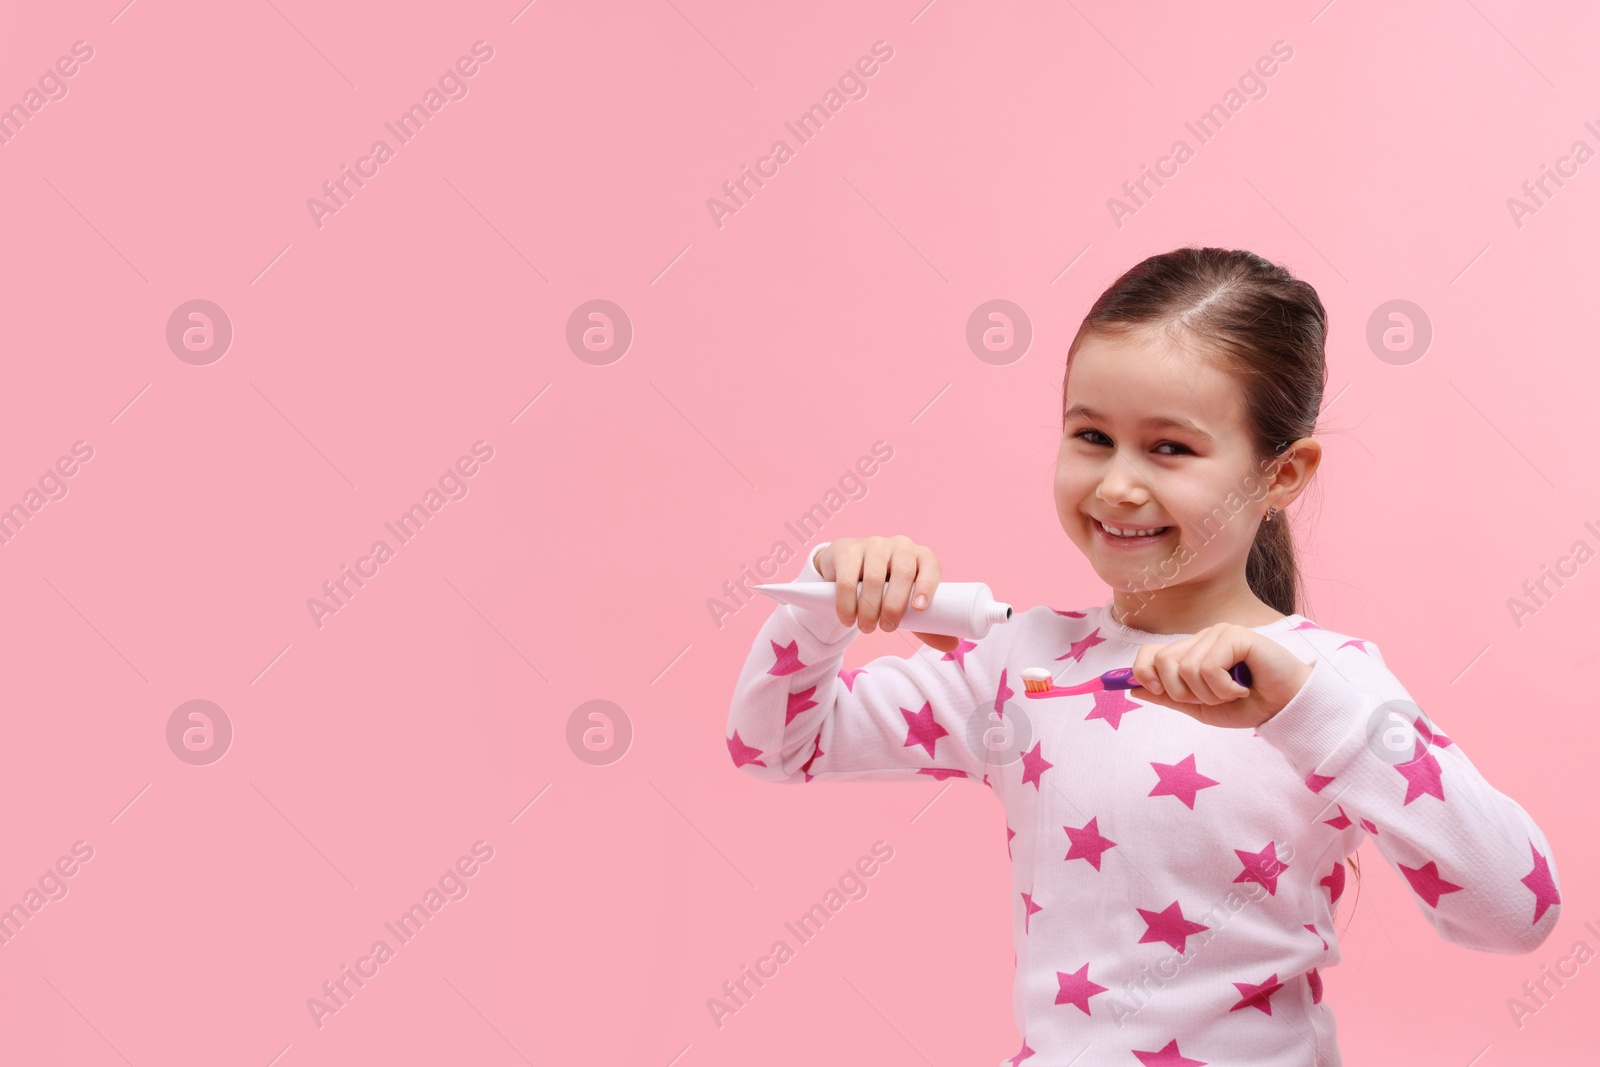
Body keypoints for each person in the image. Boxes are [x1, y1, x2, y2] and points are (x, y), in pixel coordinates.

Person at [723, 247, 1562, 1066]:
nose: (1117, 485)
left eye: (1170, 448)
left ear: (1283, 474)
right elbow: (774, 745)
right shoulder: (1018, 664)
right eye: (1091, 435)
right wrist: (825, 598)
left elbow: (1517, 910)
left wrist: (1314, 714)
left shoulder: (1326, 686)